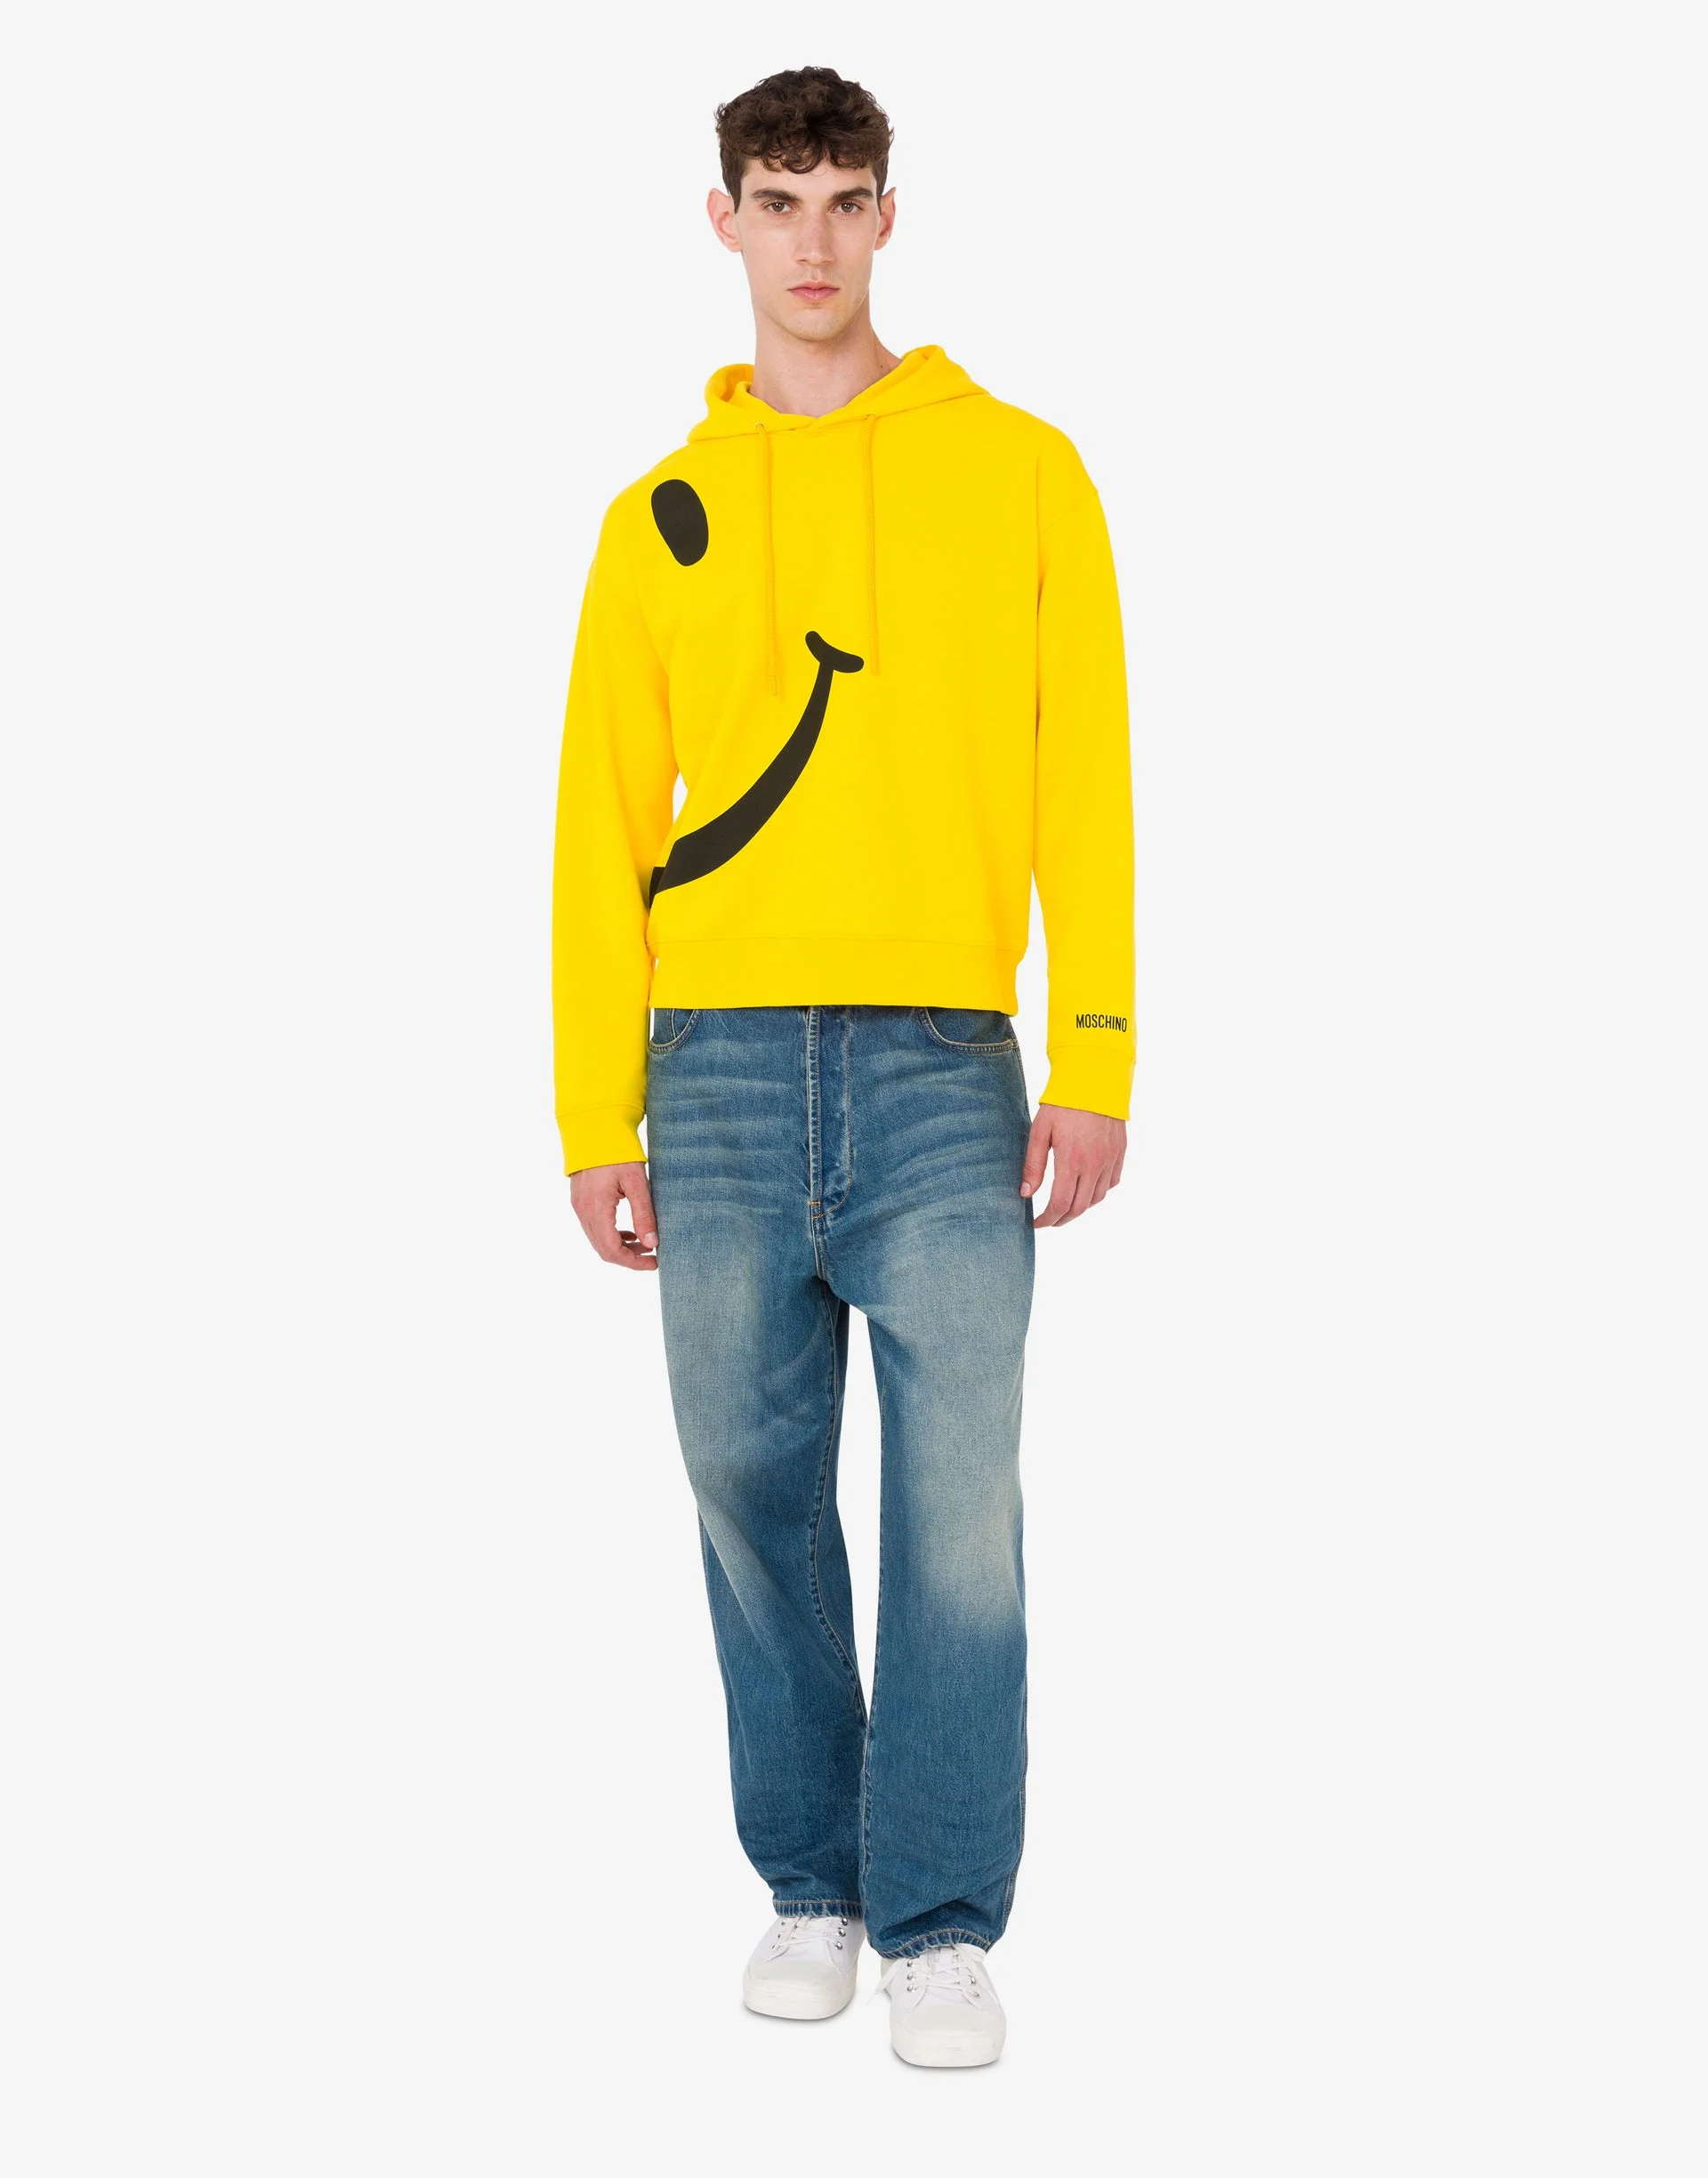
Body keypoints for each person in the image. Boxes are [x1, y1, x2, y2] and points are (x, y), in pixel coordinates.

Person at [551, 65, 1133, 2069]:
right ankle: (813, 1882)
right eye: (777, 198)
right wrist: (593, 1108)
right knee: (746, 1486)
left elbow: (1085, 771)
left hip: (944, 1067)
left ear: (892, 215)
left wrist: (1098, 1046)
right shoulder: (659, 518)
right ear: (723, 218)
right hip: (709, 1070)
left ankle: (942, 1922)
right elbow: (600, 826)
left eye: (845, 198)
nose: (813, 239)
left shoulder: (1025, 473)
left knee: (958, 1509)